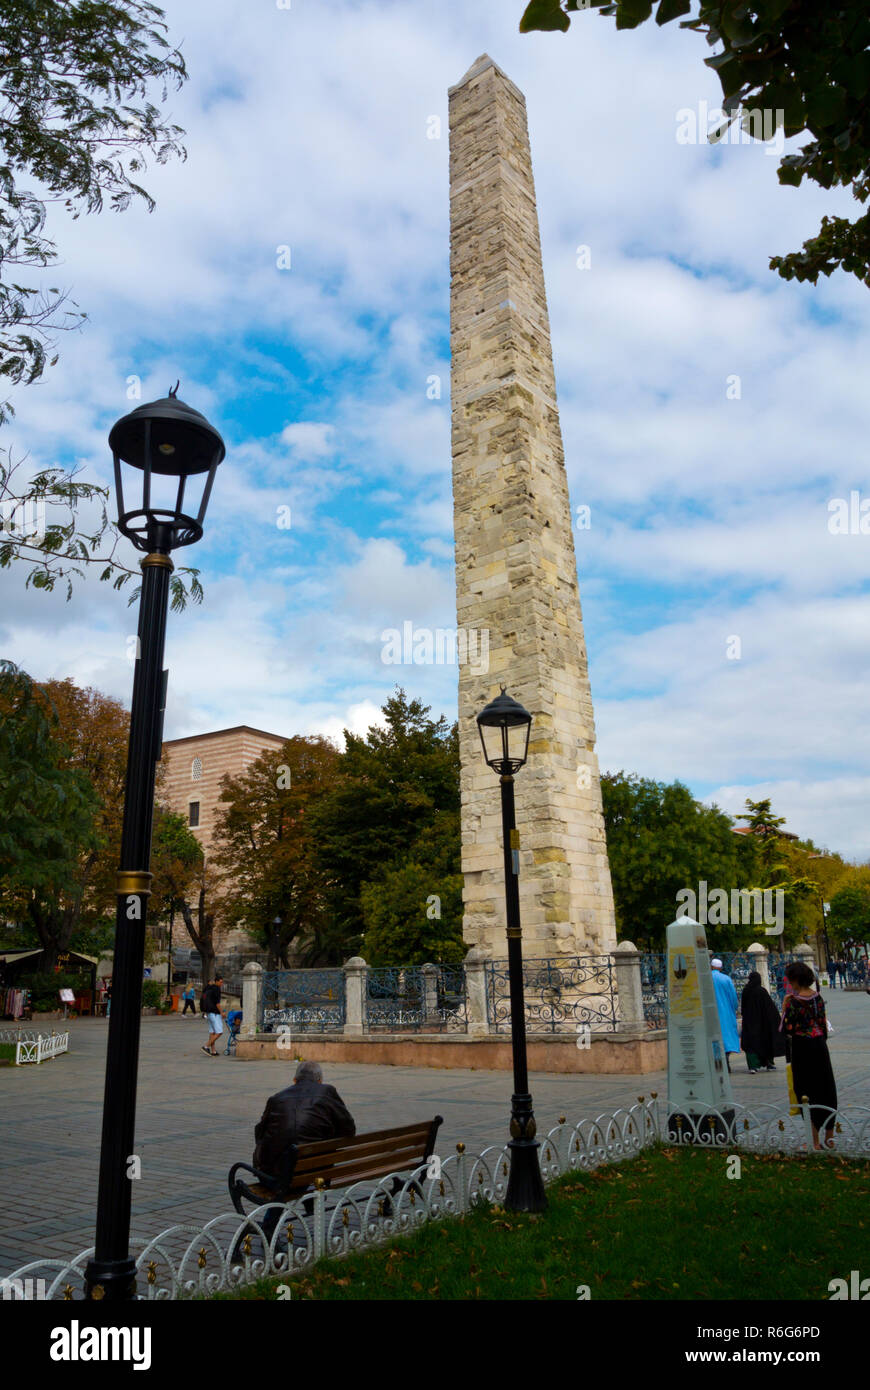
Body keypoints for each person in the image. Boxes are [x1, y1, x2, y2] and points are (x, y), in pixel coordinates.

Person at [253, 1059, 355, 1175]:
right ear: (320, 1081)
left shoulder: (277, 1098)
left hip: (274, 1172)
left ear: (295, 1080)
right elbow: (349, 1129)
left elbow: (260, 1132)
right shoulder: (327, 1092)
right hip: (315, 1169)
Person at [780, 960, 838, 1150]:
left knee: (805, 1090)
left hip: (803, 1048)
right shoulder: (818, 998)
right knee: (826, 1087)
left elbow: (786, 1028)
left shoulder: (794, 1002)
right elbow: (823, 1024)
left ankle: (813, 1141)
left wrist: (784, 1007)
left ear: (796, 980)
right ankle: (830, 1137)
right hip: (820, 1046)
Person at [740, 971, 786, 1073]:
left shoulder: (746, 991)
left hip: (749, 1021)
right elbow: (770, 1008)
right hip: (763, 1023)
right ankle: (768, 1064)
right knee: (766, 1041)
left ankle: (753, 1066)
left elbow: (742, 1007)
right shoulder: (761, 991)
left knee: (751, 1043)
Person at [710, 958, 739, 1071]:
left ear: (711, 966)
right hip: (726, 1011)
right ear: (721, 967)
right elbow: (733, 997)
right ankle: (726, 1058)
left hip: (711, 1013)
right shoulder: (726, 979)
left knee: (714, 1036)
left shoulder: (705, 978)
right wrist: (734, 1008)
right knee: (726, 1035)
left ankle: (717, 1061)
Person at [201, 976, 224, 1056]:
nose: (221, 984)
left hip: (209, 1013)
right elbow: (217, 1003)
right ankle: (206, 1046)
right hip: (214, 1013)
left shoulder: (209, 988)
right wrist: (222, 1012)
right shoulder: (217, 989)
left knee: (212, 1032)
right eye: (220, 982)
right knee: (219, 1032)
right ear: (216, 981)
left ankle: (213, 1051)